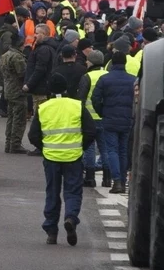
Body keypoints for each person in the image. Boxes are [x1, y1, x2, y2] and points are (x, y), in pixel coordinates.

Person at [28, 73, 97, 245]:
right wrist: (80, 147)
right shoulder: (77, 106)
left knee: (52, 192)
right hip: (73, 157)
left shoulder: (43, 108)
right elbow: (90, 131)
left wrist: (45, 148)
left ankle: (51, 231)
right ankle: (71, 218)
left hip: (51, 157)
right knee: (73, 191)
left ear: (49, 90)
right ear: (67, 88)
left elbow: (33, 135)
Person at [92, 51, 137, 193]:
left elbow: (95, 98)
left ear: (112, 63)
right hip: (127, 119)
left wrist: (102, 112)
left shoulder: (105, 79)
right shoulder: (133, 80)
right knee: (123, 151)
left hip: (109, 119)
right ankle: (123, 181)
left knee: (112, 150)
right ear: (125, 63)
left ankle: (116, 180)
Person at [77, 50, 109, 187]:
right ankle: (107, 179)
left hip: (90, 117)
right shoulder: (108, 75)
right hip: (105, 117)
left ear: (91, 62)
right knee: (105, 148)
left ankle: (90, 178)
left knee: (89, 148)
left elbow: (81, 99)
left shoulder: (87, 77)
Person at [23, 23, 57, 152]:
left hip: (41, 88)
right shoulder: (43, 47)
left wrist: (28, 84)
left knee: (41, 118)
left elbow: (40, 69)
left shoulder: (43, 49)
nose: (35, 35)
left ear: (45, 34)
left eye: (38, 33)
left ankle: (41, 145)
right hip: (41, 88)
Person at [0, 32, 28, 153]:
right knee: (19, 119)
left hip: (8, 89)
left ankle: (8, 143)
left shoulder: (5, 55)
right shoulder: (17, 57)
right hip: (18, 90)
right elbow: (22, 73)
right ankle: (15, 144)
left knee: (11, 117)